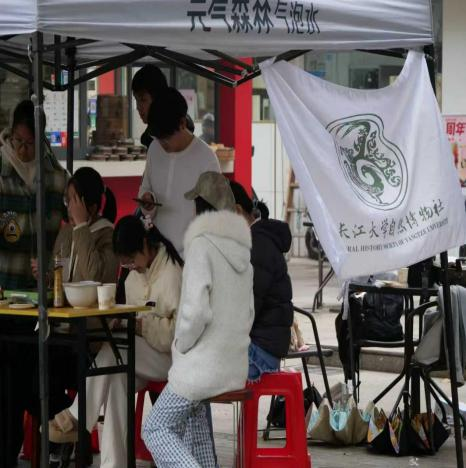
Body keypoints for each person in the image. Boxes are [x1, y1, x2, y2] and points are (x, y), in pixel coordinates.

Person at [49, 215, 183, 468]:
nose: (131, 267)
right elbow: (134, 317)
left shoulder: (172, 274)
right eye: (126, 263)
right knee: (116, 378)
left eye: (132, 260)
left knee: (112, 352)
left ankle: (77, 415)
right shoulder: (133, 277)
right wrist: (122, 321)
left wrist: (139, 325)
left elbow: (178, 333)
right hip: (140, 355)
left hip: (170, 358)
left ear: (145, 245)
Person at [143, 171, 254, 467]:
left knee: (154, 428)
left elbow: (195, 313)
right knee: (198, 431)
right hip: (233, 367)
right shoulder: (243, 253)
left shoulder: (201, 246)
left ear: (201, 207)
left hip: (203, 369)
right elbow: (249, 315)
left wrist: (180, 345)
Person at [0, 100, 67, 468]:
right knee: (9, 382)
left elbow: (66, 233)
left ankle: (57, 438)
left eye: (30, 143)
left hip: (40, 298)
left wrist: (54, 261)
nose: (23, 150)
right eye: (19, 141)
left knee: (32, 375)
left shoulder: (55, 176)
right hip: (3, 293)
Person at [138, 87, 220, 256]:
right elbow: (146, 188)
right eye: (159, 139)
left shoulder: (206, 158)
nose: (162, 145)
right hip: (158, 254)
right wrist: (147, 201)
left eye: (166, 139)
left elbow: (213, 217)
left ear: (182, 123)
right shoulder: (154, 149)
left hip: (189, 257)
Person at [229, 181, 293, 381]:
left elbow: (246, 312)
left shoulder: (257, 247)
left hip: (260, 354)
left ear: (237, 211)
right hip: (261, 345)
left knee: (197, 372)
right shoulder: (256, 241)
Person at [32, 166, 119, 285]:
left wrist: (81, 225)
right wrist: (47, 277)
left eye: (75, 202)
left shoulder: (108, 235)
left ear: (92, 208)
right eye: (67, 200)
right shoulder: (66, 232)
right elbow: (59, 273)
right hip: (67, 298)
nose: (70, 209)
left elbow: (93, 276)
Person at [132, 64, 194, 148]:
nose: (138, 107)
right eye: (136, 100)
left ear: (158, 99)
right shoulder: (150, 137)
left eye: (143, 100)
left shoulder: (176, 133)